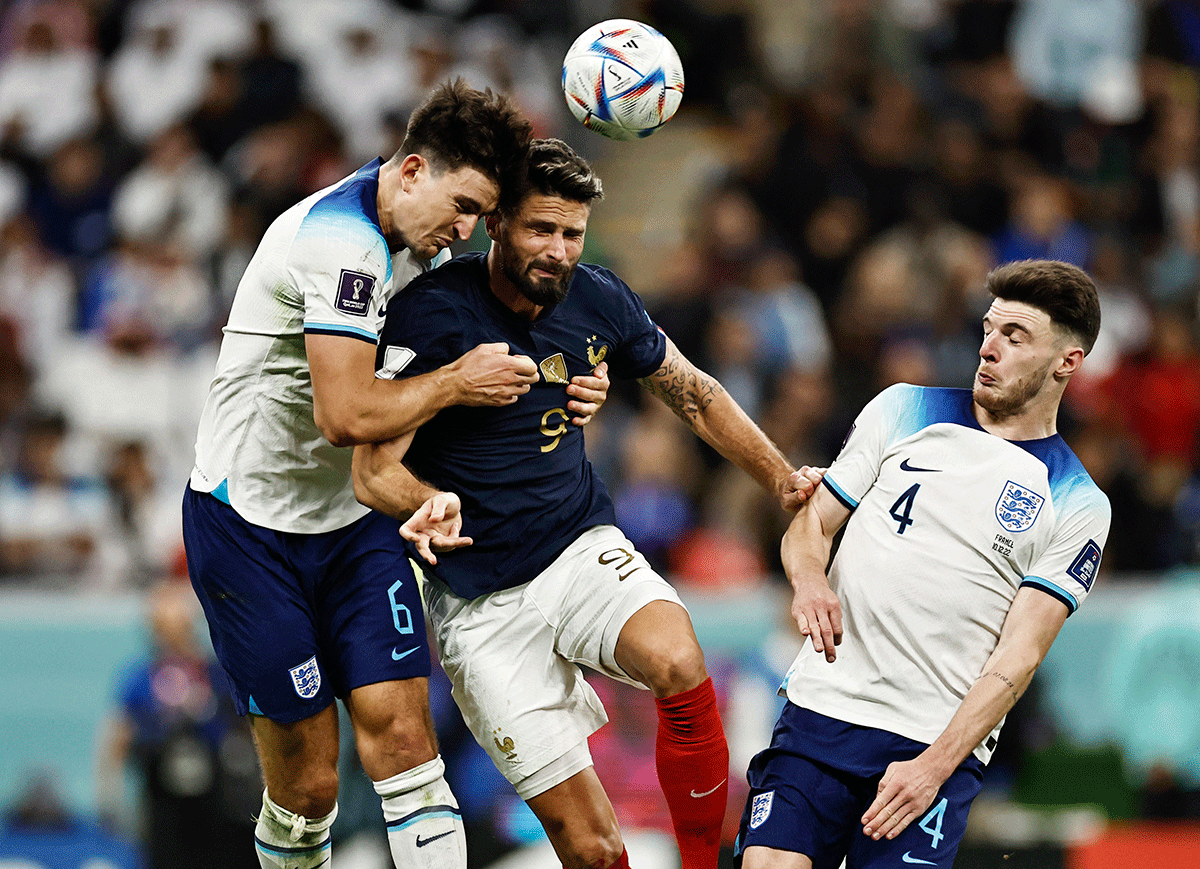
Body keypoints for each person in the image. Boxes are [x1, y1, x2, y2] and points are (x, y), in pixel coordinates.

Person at [351, 138, 816, 869]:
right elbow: (372, 468)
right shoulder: (430, 316)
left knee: (679, 658)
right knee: (594, 850)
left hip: (577, 548)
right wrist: (428, 499)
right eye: (542, 229)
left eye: (573, 233)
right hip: (480, 607)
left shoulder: (599, 296)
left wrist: (784, 481)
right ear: (497, 222)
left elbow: (695, 394)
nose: (559, 251)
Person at [181, 80, 612, 869]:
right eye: (461, 206)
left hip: (355, 522)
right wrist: (455, 382)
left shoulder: (426, 252)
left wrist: (583, 376)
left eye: (481, 218)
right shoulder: (340, 242)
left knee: (408, 743)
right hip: (250, 528)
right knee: (310, 787)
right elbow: (344, 415)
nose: (463, 232)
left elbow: (525, 325)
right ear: (411, 171)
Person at [734, 259, 1112, 869]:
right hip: (827, 710)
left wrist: (932, 768)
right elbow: (811, 523)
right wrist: (808, 583)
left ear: (1066, 362)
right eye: (989, 330)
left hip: (934, 745)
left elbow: (1019, 656)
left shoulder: (1077, 500)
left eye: (1015, 338)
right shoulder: (904, 409)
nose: (989, 349)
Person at [95, 579, 259, 869]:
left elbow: (251, 734)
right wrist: (110, 801)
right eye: (164, 631)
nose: (173, 641)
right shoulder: (139, 679)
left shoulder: (218, 675)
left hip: (223, 805)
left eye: (179, 630)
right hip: (162, 807)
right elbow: (115, 740)